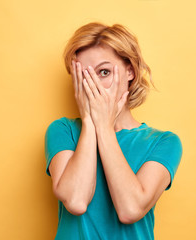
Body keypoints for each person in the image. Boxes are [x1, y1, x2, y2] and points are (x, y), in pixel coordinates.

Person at [44, 22, 183, 240]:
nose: (93, 86)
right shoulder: (63, 131)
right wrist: (90, 122)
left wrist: (105, 127)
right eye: (83, 76)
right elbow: (76, 201)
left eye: (104, 72)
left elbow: (130, 209)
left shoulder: (163, 142)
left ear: (130, 71)